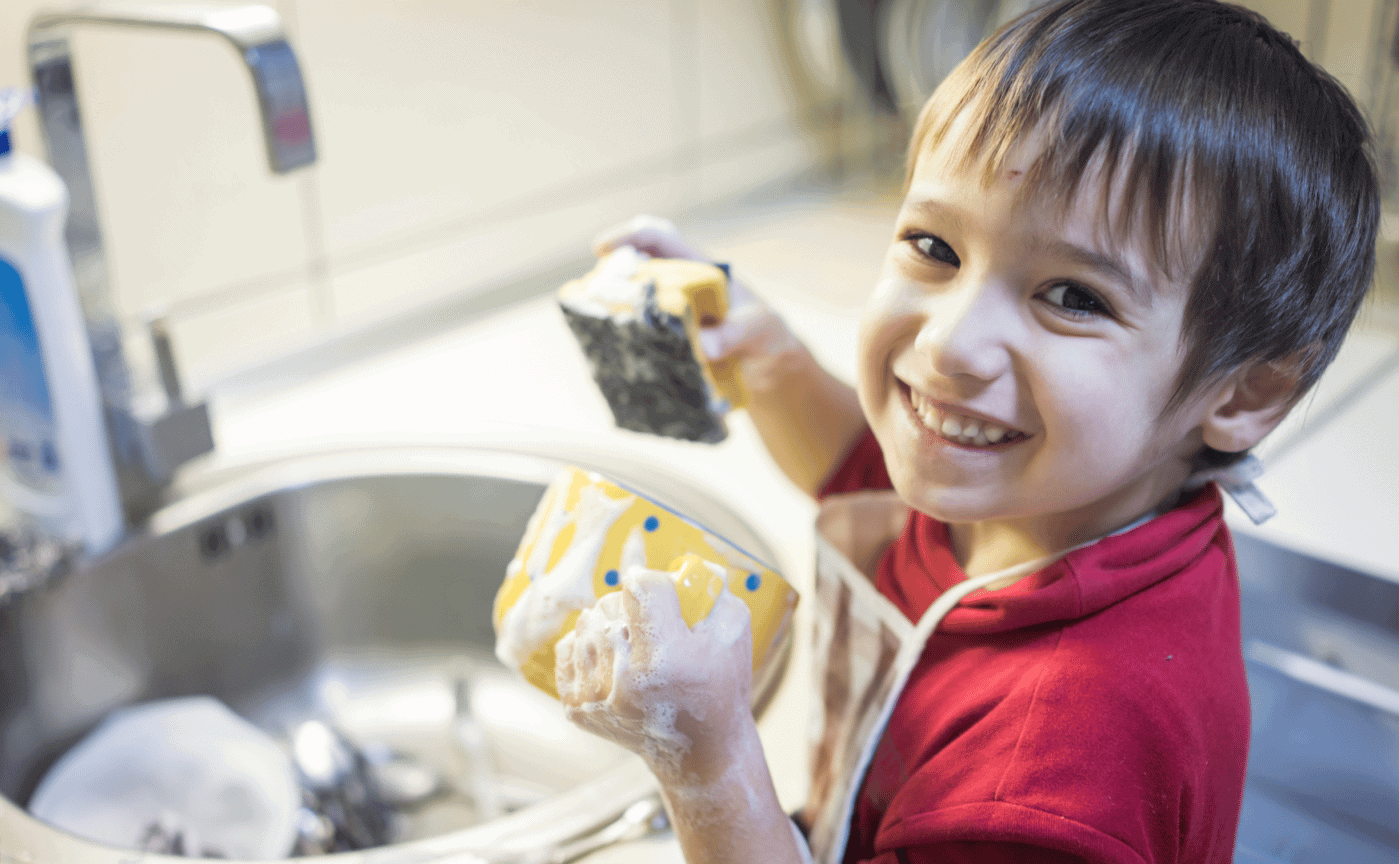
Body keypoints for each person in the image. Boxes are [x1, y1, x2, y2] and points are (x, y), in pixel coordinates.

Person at [549, 1, 1380, 862]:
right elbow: (864, 471)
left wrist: (709, 762)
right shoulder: (1056, 495)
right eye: (934, 246)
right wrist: (767, 360)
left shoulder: (1047, 782)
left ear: (1245, 393)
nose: (947, 343)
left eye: (1073, 297)